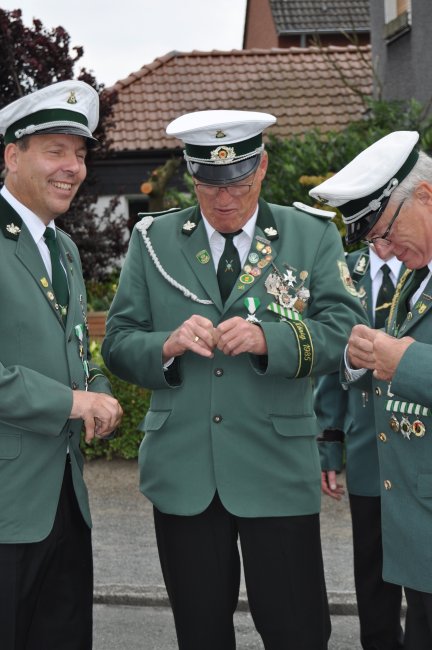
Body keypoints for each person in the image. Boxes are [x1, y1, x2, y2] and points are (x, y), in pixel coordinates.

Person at [102, 109, 366, 650]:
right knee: (200, 634)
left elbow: (347, 331)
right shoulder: (153, 240)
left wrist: (272, 339)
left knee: (297, 632)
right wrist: (167, 345)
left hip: (276, 469)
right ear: (191, 175)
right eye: (209, 186)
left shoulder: (310, 233)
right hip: (184, 473)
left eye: (239, 185)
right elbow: (119, 344)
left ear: (262, 168)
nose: (224, 200)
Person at [0, 80, 123, 650]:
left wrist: (97, 388)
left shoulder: (64, 248)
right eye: (55, 151)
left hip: (66, 504)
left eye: (79, 153)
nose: (72, 167)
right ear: (12, 156)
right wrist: (73, 402)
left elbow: (72, 349)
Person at [310, 130, 432, 650]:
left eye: (386, 230)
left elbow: (408, 365)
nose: (385, 249)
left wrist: (405, 362)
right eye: (373, 239)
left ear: (425, 195)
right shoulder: (416, 277)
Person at [314, 243, 405, 650]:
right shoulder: (345, 270)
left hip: (419, 445)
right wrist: (330, 445)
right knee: (372, 565)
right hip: (367, 445)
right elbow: (331, 364)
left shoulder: (422, 267)